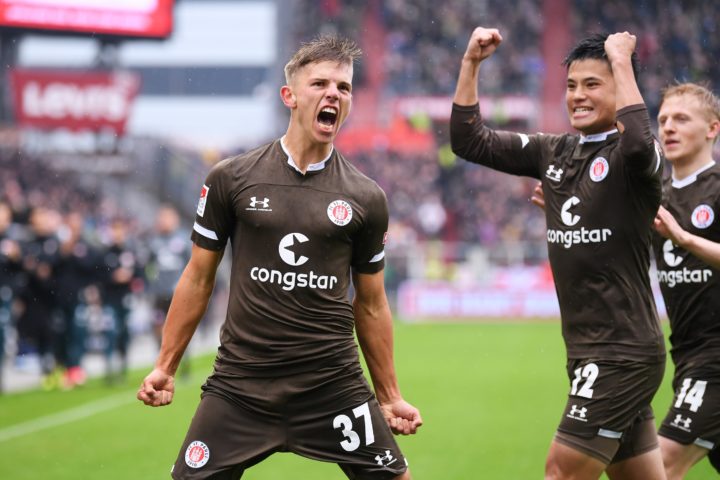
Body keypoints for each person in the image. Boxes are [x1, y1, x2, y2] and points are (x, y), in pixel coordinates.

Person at [137, 35, 422, 479]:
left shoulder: (367, 197)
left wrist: (388, 396)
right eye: (321, 84)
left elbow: (371, 303)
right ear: (289, 96)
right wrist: (164, 366)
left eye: (344, 88)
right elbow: (197, 278)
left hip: (332, 385)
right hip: (242, 386)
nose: (334, 95)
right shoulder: (231, 179)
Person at [451, 28, 666, 479]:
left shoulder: (635, 159)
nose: (578, 96)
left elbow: (637, 143)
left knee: (560, 472)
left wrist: (622, 60)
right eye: (571, 85)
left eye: (593, 84)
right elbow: (469, 141)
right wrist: (471, 63)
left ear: (619, 87)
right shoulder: (556, 152)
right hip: (588, 351)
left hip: (620, 353)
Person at [651, 83, 720, 479]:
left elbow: (687, 241)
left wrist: (687, 239)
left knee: (659, 465)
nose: (668, 128)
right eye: (663, 120)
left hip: (715, 361)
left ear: (712, 129)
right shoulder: (654, 194)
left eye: (681, 119)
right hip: (688, 358)